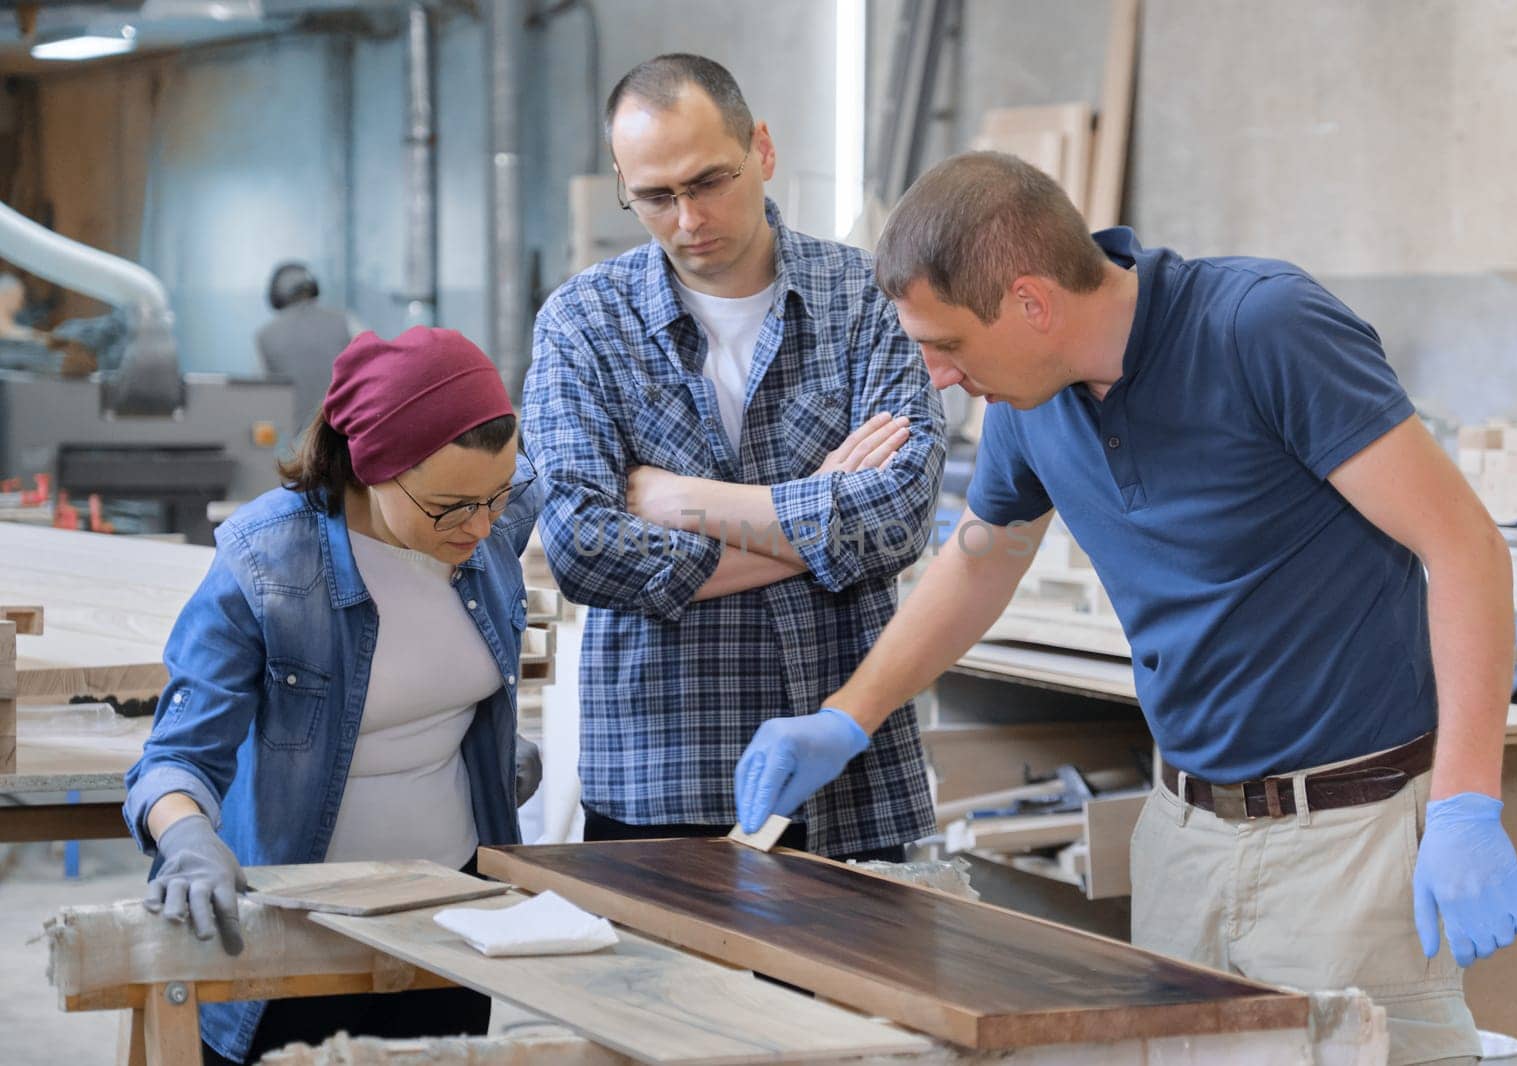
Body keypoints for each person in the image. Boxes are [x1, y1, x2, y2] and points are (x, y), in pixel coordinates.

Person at [736, 151, 1517, 1065]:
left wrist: (1468, 802)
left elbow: (1465, 549)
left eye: (947, 343)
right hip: (1181, 836)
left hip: (1348, 843)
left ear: (1032, 303)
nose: (938, 376)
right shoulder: (1029, 403)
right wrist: (847, 716)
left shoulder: (1261, 328)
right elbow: (981, 562)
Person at [523, 54, 945, 861]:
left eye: (709, 181)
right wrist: (819, 511)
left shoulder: (866, 298)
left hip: (849, 775)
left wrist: (676, 501)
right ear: (622, 183)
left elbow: (897, 520)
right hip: (661, 772)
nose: (688, 220)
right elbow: (580, 549)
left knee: (854, 992)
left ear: (763, 149)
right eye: (655, 197)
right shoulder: (584, 323)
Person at [124, 326, 542, 1064]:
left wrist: (497, 752)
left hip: (449, 920)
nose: (481, 527)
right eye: (451, 507)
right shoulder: (266, 566)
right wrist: (187, 838)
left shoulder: (481, 525)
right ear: (372, 467)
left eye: (498, 498)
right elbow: (175, 758)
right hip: (298, 930)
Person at [256, 262, 359, 438]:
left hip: (294, 446)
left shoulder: (265, 336)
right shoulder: (346, 322)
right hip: (345, 439)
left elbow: (262, 397)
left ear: (276, 296)